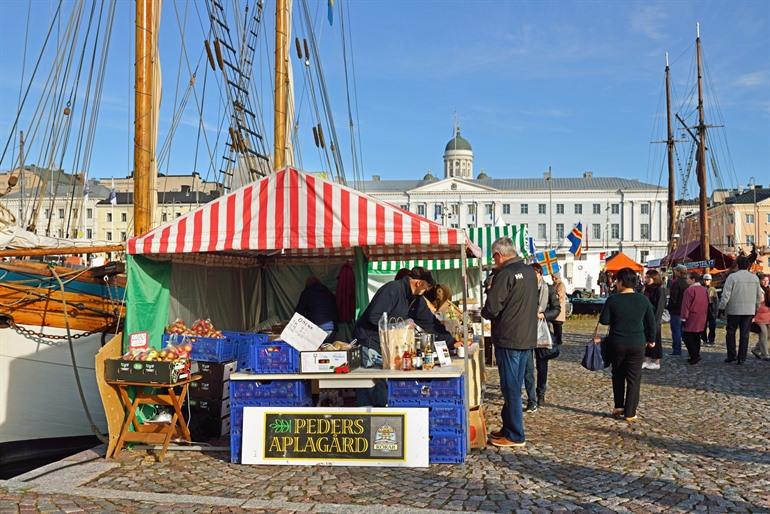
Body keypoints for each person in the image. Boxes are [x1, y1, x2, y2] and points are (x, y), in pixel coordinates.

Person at [353, 267, 451, 406]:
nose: (426, 291)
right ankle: (371, 421)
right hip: (370, 344)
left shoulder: (416, 299)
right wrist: (400, 325)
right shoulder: (392, 289)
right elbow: (374, 317)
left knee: (385, 390)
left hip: (387, 347)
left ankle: (382, 418)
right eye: (426, 287)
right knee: (375, 391)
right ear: (418, 283)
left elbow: (429, 322)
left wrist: (450, 340)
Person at [482, 237, 538, 448]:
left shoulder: (505, 274)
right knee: (514, 384)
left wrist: (486, 310)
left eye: (494, 256)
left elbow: (492, 307)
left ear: (498, 254)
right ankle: (508, 427)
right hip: (526, 336)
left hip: (509, 337)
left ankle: (515, 434)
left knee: (511, 387)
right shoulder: (529, 272)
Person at [599, 267, 656, 423]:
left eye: (617, 281)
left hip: (617, 342)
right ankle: (630, 412)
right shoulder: (643, 299)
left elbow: (604, 320)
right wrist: (651, 340)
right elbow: (651, 322)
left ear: (622, 282)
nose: (616, 284)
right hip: (637, 343)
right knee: (634, 378)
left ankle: (618, 407)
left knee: (617, 374)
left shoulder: (613, 299)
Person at [524, 264, 561, 411]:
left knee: (542, 365)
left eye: (535, 274)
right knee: (528, 367)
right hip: (526, 331)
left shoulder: (549, 289)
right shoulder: (525, 289)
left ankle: (541, 393)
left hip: (542, 330)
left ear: (540, 274)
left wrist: (543, 315)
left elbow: (556, 309)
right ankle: (531, 398)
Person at [718, 255, 763, 365]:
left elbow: (726, 295)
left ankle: (731, 355)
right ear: (748, 265)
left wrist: (721, 307)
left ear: (737, 265)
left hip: (734, 309)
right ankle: (742, 357)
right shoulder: (755, 278)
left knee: (731, 332)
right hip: (749, 310)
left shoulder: (732, 277)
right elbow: (758, 296)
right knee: (745, 334)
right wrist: (756, 308)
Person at [681, 272, 709, 365]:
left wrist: (684, 317)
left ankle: (694, 356)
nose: (686, 280)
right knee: (696, 336)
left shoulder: (689, 290)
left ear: (693, 279)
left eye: (688, 278)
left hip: (691, 316)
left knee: (687, 337)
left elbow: (686, 305)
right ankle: (696, 354)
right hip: (701, 316)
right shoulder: (704, 289)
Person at [642, 269, 667, 370]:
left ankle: (656, 361)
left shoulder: (660, 290)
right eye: (646, 277)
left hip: (655, 318)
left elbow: (660, 307)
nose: (646, 279)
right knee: (646, 339)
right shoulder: (646, 288)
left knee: (656, 340)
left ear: (654, 278)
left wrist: (655, 321)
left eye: (648, 277)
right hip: (645, 318)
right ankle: (646, 360)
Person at [666, 264, 689, 356]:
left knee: (676, 331)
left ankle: (677, 350)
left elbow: (673, 298)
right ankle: (689, 348)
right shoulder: (688, 282)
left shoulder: (676, 283)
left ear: (679, 272)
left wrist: (668, 307)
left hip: (676, 311)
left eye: (676, 271)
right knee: (683, 331)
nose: (674, 272)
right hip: (685, 310)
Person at [751, 273, 770, 361]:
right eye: (764, 280)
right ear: (760, 281)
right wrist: (752, 316)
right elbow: (753, 303)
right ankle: (765, 354)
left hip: (768, 316)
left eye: (767, 280)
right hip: (759, 316)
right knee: (764, 334)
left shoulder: (768, 290)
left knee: (768, 335)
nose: (766, 282)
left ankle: (756, 349)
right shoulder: (757, 289)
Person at [700, 274, 718, 347]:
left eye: (708, 280)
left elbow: (716, 300)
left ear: (710, 281)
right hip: (703, 307)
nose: (706, 281)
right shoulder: (701, 288)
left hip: (711, 307)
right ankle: (703, 339)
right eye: (705, 280)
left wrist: (716, 311)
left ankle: (711, 339)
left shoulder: (713, 289)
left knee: (712, 325)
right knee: (703, 325)